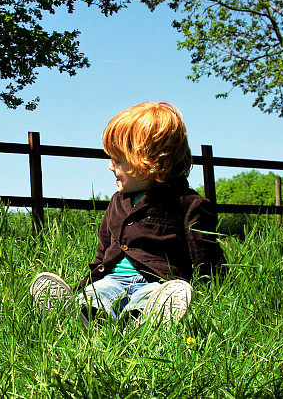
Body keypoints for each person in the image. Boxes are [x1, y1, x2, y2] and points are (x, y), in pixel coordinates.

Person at [30, 101, 226, 325]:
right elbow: (104, 251)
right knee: (98, 293)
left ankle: (147, 317)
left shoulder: (187, 204)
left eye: (118, 160)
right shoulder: (117, 202)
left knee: (150, 298)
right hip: (112, 278)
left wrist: (210, 291)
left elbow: (205, 256)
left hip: (158, 281)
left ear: (149, 162)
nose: (110, 166)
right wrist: (87, 282)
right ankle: (80, 313)